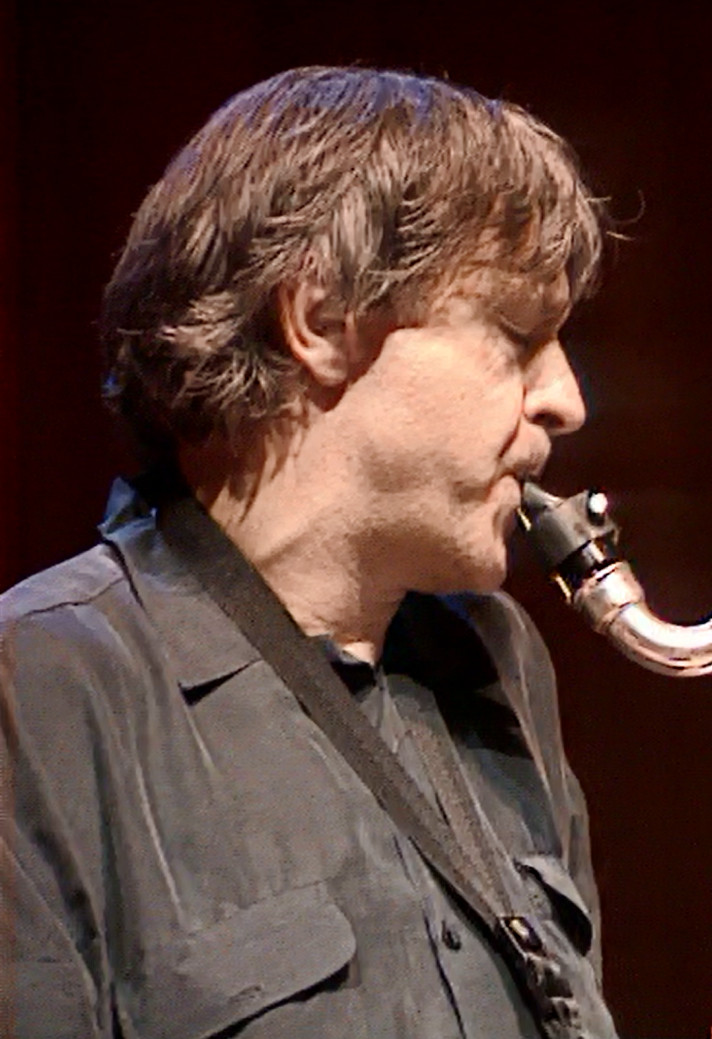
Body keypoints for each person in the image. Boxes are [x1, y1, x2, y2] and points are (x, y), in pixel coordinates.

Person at [1, 66, 619, 1038]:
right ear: (322, 321)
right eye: (516, 334)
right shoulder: (36, 689)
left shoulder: (499, 661)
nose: (566, 401)